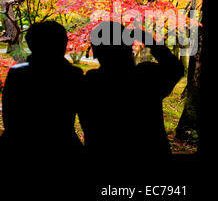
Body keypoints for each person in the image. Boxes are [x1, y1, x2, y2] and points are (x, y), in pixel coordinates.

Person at [78, 21, 184, 172]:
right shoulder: (146, 77)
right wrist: (151, 42)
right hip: (151, 160)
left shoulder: (90, 83)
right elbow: (176, 68)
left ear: (96, 51)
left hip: (102, 163)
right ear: (129, 47)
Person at [0, 21, 84, 172]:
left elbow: (9, 119)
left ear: (32, 44)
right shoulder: (73, 75)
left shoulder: (17, 75)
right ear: (62, 44)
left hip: (17, 150)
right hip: (64, 149)